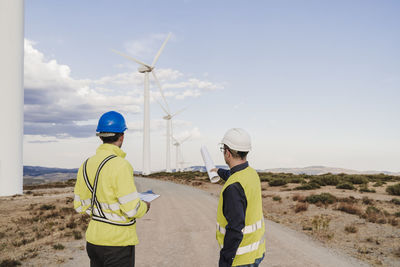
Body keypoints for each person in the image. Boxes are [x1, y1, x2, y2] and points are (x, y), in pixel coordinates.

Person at [74, 111, 150, 267]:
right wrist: (145, 206)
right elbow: (132, 209)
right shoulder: (121, 165)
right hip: (118, 243)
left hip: (94, 241)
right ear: (121, 137)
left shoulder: (86, 164)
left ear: (100, 136)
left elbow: (79, 206)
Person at [211, 128, 265, 267]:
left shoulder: (233, 187)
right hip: (256, 252)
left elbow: (235, 229)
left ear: (227, 153)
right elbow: (233, 175)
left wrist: (224, 262)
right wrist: (218, 171)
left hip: (241, 260)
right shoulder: (251, 174)